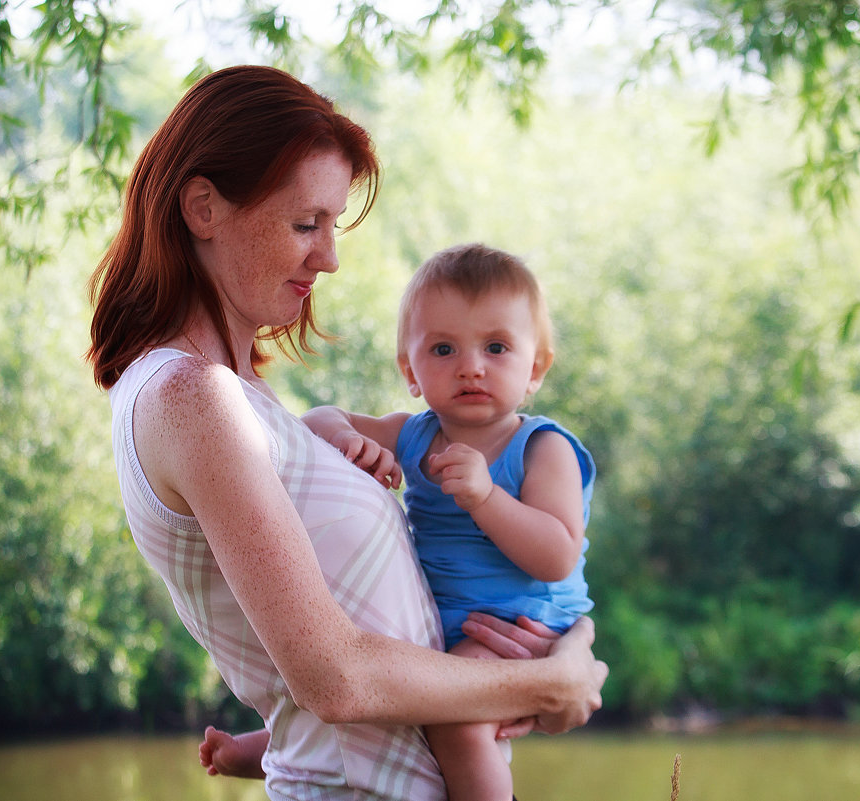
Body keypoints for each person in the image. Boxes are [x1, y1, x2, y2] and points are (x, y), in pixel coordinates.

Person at [88, 64, 606, 801]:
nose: (328, 256)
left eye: (332, 226)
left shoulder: (240, 398)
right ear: (202, 207)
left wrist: (550, 662)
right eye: (306, 224)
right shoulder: (190, 394)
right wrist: (547, 680)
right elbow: (334, 678)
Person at [202, 243, 596, 801]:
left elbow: (557, 555)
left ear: (534, 369)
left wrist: (486, 497)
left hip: (515, 626)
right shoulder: (416, 435)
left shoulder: (542, 447)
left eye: (497, 347)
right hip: (438, 617)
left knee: (454, 721)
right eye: (443, 349)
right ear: (410, 371)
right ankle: (271, 746)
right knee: (371, 662)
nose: (471, 366)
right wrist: (348, 439)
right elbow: (316, 420)